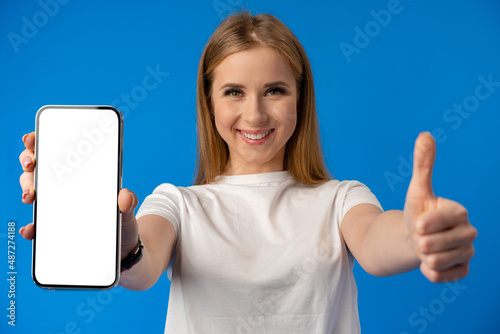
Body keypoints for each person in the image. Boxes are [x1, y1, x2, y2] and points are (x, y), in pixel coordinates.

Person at [18, 12, 477, 334]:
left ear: (301, 99)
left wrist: (417, 235)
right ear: (209, 102)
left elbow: (378, 243)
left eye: (274, 90)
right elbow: (141, 268)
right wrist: (109, 228)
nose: (254, 114)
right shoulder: (178, 203)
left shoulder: (340, 198)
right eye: (233, 92)